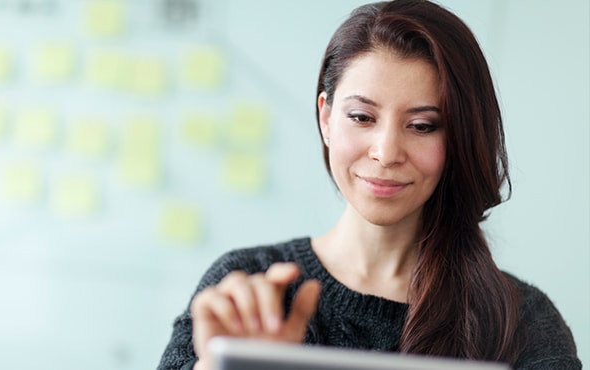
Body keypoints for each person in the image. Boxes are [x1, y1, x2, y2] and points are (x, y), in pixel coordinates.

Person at [157, 1, 581, 369]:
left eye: (422, 125)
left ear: (460, 139)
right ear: (326, 118)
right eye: (361, 117)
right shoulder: (248, 290)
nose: (386, 152)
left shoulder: (521, 321)